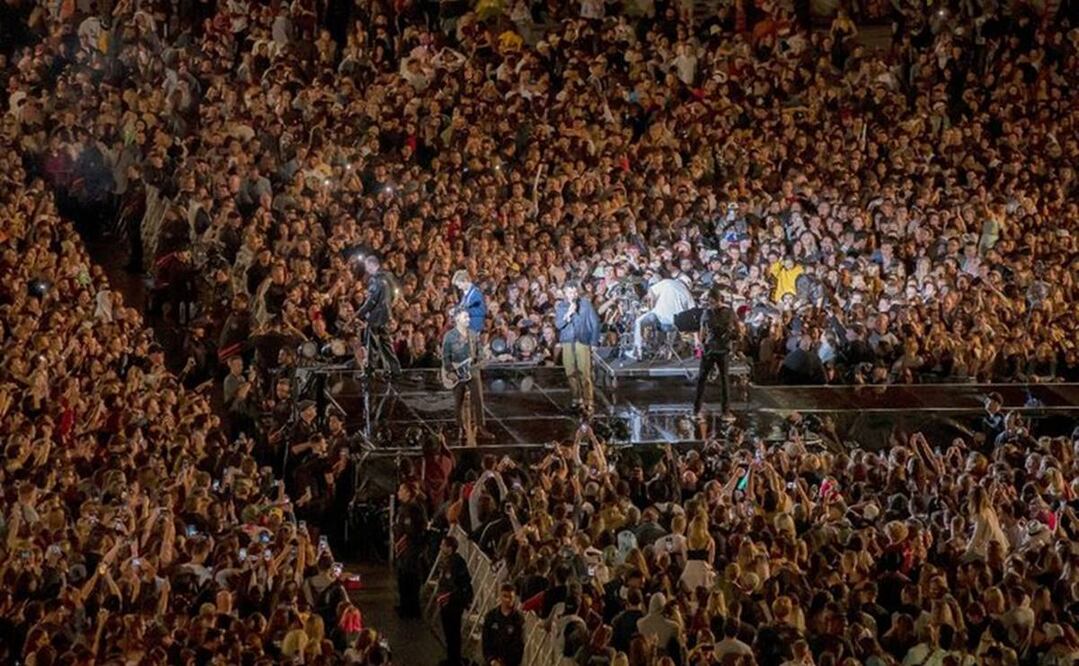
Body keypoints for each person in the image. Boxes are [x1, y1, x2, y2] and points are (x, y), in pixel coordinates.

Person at [442, 309, 494, 443]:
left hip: (472, 371)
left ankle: (480, 426)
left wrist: (482, 360)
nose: (468, 319)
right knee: (457, 401)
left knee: (478, 399)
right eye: (465, 317)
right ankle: (460, 427)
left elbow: (480, 353)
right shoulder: (449, 336)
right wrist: (450, 371)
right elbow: (445, 356)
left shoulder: (473, 334)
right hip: (457, 372)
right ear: (458, 319)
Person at [554, 280, 602, 414]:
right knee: (570, 372)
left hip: (583, 341)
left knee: (585, 372)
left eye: (575, 292)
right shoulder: (561, 307)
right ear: (565, 293)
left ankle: (589, 400)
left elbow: (595, 323)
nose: (573, 294)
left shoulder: (586, 304)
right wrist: (568, 314)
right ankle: (577, 398)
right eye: (570, 292)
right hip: (568, 341)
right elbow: (558, 325)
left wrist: (594, 342)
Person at [694, 286, 737, 419]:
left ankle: (698, 410)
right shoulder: (728, 312)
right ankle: (725, 412)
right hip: (719, 348)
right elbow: (737, 329)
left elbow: (702, 331)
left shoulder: (709, 312)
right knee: (721, 380)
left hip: (712, 348)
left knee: (705, 379)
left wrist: (700, 344)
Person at [357, 254, 401, 375]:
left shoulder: (375, 279)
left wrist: (359, 314)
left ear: (372, 265)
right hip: (386, 316)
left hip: (375, 317)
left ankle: (370, 370)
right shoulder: (388, 277)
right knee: (386, 344)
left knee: (372, 345)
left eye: (367, 266)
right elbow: (394, 296)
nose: (366, 269)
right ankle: (395, 369)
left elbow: (371, 301)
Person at [633, 275, 695, 359]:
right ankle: (669, 350)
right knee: (675, 323)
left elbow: (650, 293)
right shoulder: (688, 294)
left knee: (639, 322)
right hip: (674, 325)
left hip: (658, 320)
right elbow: (693, 312)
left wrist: (651, 306)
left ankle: (638, 351)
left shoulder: (667, 282)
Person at [436, 536, 474, 666]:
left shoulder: (457, 562)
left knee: (454, 633)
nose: (441, 547)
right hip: (446, 602)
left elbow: (461, 583)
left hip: (453, 603)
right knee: (448, 633)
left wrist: (460, 599)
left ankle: (455, 660)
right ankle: (451, 657)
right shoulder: (446, 561)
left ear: (450, 548)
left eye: (443, 545)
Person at [393, 481, 428, 618]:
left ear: (408, 492)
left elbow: (414, 531)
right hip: (404, 551)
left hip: (410, 550)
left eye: (401, 490)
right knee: (403, 579)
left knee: (410, 580)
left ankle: (411, 609)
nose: (398, 493)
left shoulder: (414, 509)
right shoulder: (404, 508)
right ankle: (404, 605)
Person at [482, 584, 526, 666]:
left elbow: (519, 645)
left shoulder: (518, 619)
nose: (508, 600)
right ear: (500, 597)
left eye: (511, 597)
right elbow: (486, 640)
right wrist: (492, 660)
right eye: (505, 596)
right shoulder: (491, 617)